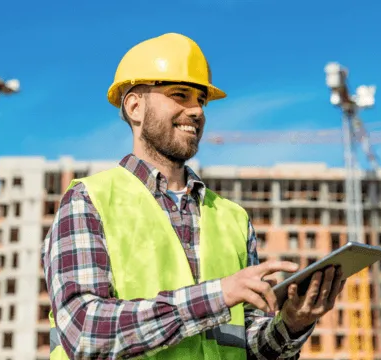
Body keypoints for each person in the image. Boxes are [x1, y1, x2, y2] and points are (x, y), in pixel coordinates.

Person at [42, 32, 345, 360]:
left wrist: (293, 322)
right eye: (180, 94)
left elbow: (247, 346)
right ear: (134, 106)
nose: (197, 111)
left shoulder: (233, 218)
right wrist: (218, 295)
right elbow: (85, 332)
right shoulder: (89, 201)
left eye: (200, 100)